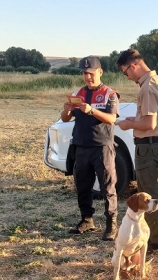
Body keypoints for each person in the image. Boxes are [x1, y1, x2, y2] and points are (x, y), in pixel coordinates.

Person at [115, 49, 158, 257]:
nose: (127, 77)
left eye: (125, 72)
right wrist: (133, 122)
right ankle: (152, 240)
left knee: (147, 197)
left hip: (148, 146)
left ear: (133, 66)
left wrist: (129, 125)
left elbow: (149, 123)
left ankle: (154, 244)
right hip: (155, 144)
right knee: (149, 192)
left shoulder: (147, 87)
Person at [62, 56, 120, 241]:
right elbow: (65, 119)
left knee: (107, 187)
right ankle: (87, 220)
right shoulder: (78, 93)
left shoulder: (109, 94)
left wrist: (91, 110)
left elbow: (112, 119)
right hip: (81, 146)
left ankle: (111, 224)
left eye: (91, 73)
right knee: (82, 186)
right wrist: (67, 109)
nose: (88, 77)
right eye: (84, 73)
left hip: (102, 147)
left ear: (100, 72)